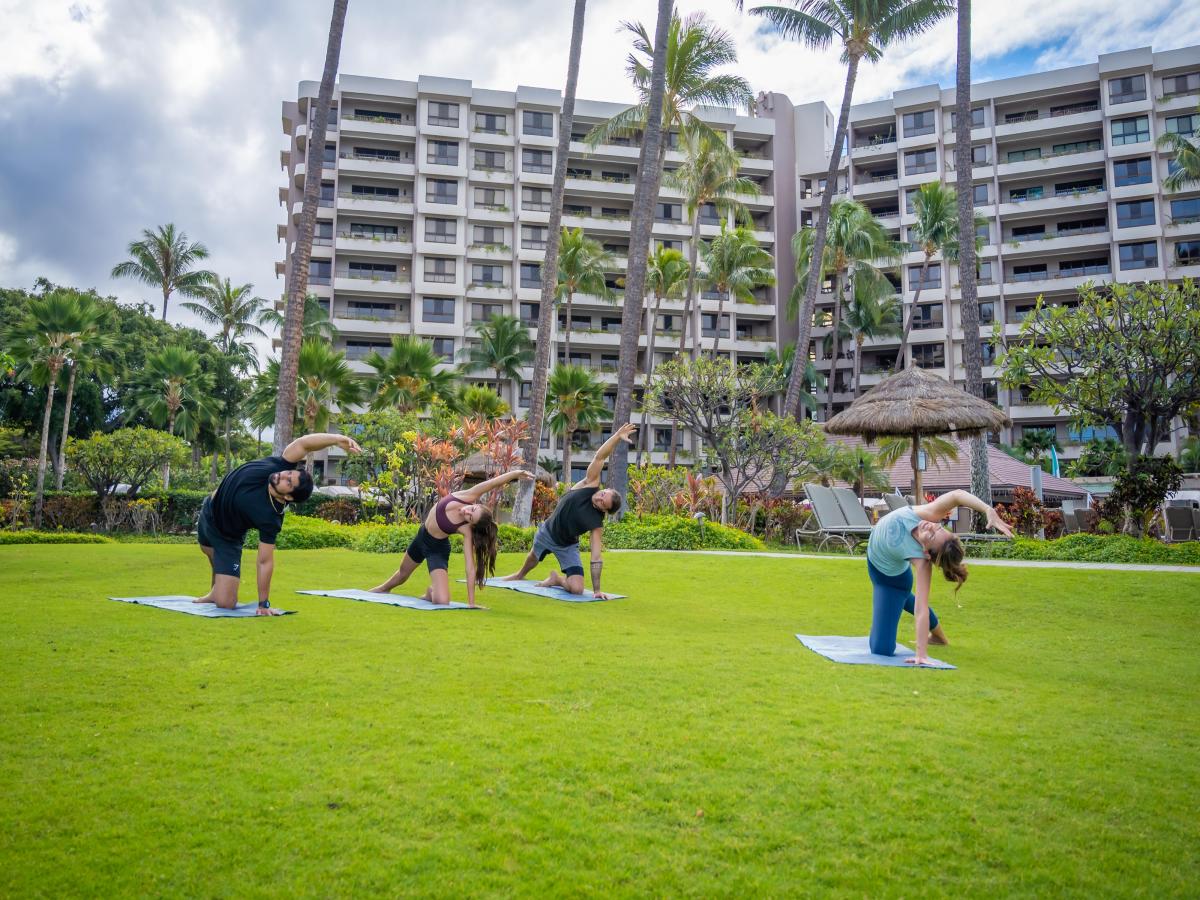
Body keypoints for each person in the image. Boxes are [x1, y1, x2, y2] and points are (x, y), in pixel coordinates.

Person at [195, 432, 362, 615]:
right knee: (209, 551)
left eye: (288, 481)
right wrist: (338, 439)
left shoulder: (271, 517)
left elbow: (265, 561)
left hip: (227, 536)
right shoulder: (278, 466)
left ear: (288, 496)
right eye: (288, 473)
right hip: (209, 511)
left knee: (226, 603)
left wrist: (263, 604)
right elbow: (304, 444)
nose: (281, 475)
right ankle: (215, 589)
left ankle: (218, 591)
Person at [866, 489, 1013, 665]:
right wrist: (987, 509)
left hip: (890, 581)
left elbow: (921, 610)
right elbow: (957, 495)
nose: (931, 526)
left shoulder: (922, 563)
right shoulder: (929, 515)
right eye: (939, 527)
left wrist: (921, 654)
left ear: (927, 553)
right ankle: (939, 636)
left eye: (932, 535)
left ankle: (937, 636)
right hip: (875, 561)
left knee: (881, 649)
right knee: (906, 599)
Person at [500, 422, 635, 599]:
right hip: (548, 531)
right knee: (534, 556)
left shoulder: (596, 524)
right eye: (603, 494)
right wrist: (616, 436)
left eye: (603, 502)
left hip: (567, 545)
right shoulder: (590, 483)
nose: (599, 497)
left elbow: (596, 557)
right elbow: (600, 457)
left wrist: (596, 590)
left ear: (605, 510)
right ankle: (519, 575)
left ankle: (557, 580)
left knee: (577, 589)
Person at [368, 468, 535, 607]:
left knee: (442, 601)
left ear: (471, 524)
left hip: (437, 549)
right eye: (472, 509)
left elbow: (470, 568)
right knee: (402, 575)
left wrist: (471, 603)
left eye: (470, 517)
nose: (467, 512)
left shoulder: (466, 530)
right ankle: (383, 588)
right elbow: (492, 484)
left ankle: (431, 592)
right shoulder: (467, 496)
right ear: (475, 504)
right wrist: (515, 474)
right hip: (422, 537)